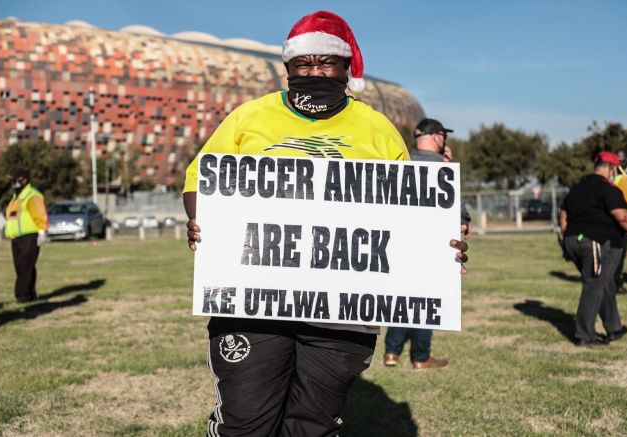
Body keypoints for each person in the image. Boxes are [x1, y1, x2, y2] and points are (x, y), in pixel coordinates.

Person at [182, 10, 469, 436]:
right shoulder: (249, 117)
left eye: (325, 62)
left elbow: (412, 211)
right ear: (288, 68)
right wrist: (200, 219)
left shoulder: (376, 128)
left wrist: (440, 246)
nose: (314, 71)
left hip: (343, 311)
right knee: (245, 420)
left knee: (314, 425)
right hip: (254, 302)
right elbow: (200, 179)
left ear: (346, 68)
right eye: (303, 63)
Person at [383, 118, 470, 370]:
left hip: (400, 241)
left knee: (401, 297)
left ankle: (391, 352)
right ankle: (421, 356)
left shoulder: (400, 160)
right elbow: (457, 206)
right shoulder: (443, 167)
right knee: (425, 299)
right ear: (438, 137)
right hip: (432, 243)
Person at [559, 151, 627, 347]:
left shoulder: (578, 187)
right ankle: (585, 335)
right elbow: (623, 217)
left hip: (574, 240)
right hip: (595, 242)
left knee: (603, 283)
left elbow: (563, 212)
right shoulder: (608, 189)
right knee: (594, 287)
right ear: (612, 168)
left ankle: (614, 328)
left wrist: (567, 237)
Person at [4, 168, 49, 303]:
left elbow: (39, 214)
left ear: (23, 180)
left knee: (25, 266)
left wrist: (42, 231)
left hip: (29, 236)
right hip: (17, 238)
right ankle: (30, 294)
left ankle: (22, 296)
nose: (12, 183)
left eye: (14, 180)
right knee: (22, 267)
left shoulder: (31, 195)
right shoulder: (16, 197)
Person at [611, 150, 627, 295]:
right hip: (621, 218)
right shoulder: (621, 177)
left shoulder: (616, 176)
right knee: (619, 253)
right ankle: (616, 284)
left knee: (618, 253)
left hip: (617, 217)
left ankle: (615, 282)